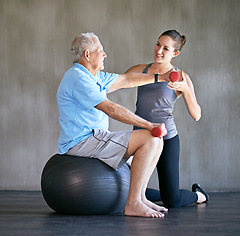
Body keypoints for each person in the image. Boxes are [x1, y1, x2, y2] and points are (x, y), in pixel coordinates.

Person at [56, 32, 169, 218]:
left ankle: (140, 198)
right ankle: (132, 204)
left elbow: (126, 80)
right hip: (81, 142)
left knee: (156, 140)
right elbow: (111, 109)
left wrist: (160, 78)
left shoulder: (95, 76)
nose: (105, 54)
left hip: (95, 137)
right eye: (100, 50)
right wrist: (149, 124)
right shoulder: (78, 78)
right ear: (87, 55)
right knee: (149, 138)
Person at [125, 30, 209, 208]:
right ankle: (156, 195)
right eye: (157, 44)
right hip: (139, 137)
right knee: (128, 189)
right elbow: (117, 81)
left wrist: (185, 89)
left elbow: (197, 115)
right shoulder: (141, 70)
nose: (159, 51)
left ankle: (199, 195)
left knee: (172, 200)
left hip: (166, 138)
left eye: (166, 48)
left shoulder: (181, 77)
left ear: (175, 53)